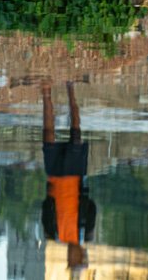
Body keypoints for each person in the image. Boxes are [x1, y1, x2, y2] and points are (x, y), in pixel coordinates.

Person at [41, 82, 97, 275]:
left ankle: (46, 92)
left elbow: (44, 208)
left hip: (55, 176)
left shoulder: (53, 234)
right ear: (82, 255)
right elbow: (92, 207)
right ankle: (70, 90)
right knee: (75, 129)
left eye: (71, 261)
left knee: (48, 133)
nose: (71, 257)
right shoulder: (86, 233)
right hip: (75, 176)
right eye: (76, 260)